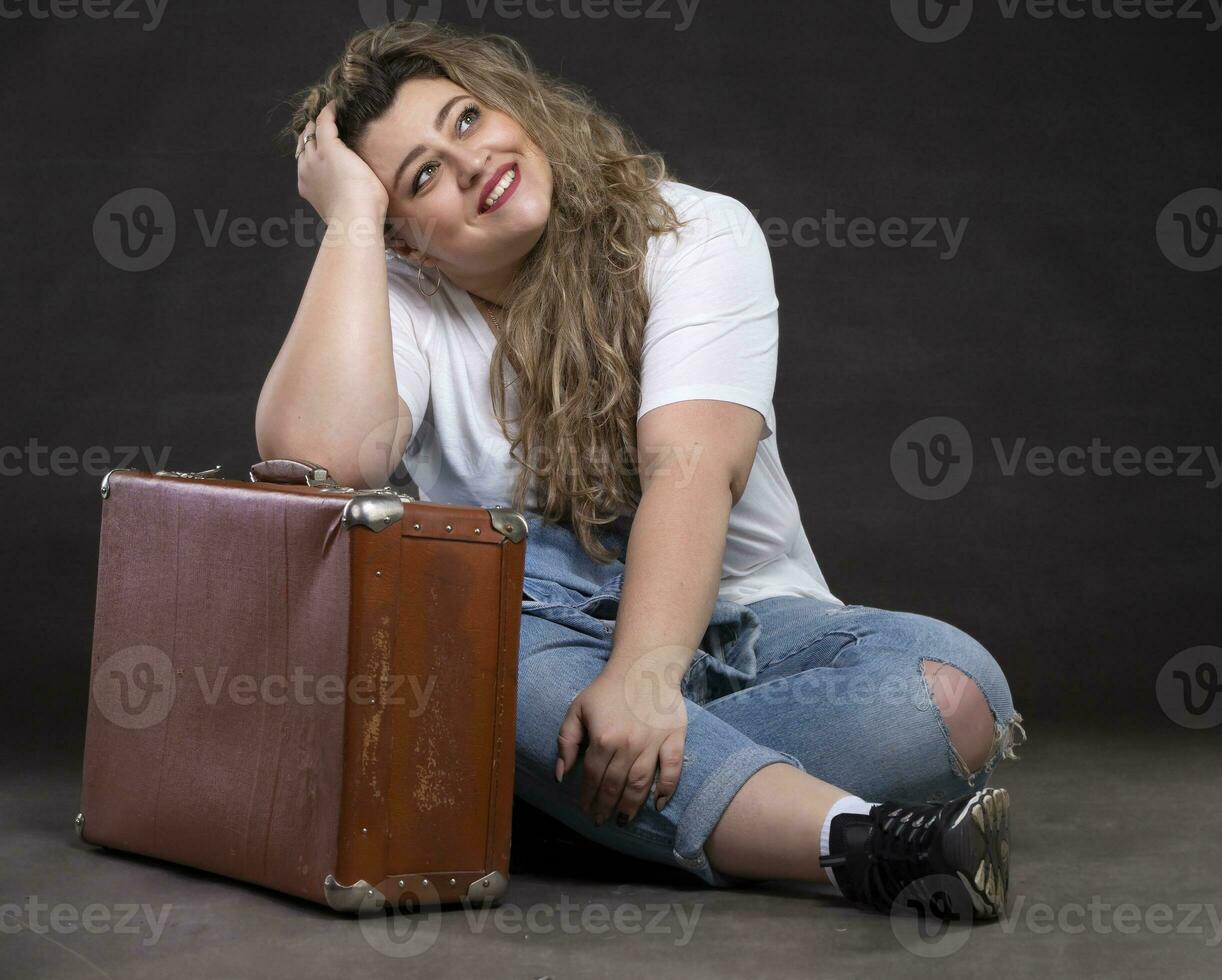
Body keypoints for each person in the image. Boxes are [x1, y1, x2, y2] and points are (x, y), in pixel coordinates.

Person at [257, 20, 1026, 922]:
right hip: (535, 638)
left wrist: (648, 676)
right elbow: (321, 463)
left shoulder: (691, 229)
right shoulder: (405, 300)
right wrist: (350, 218)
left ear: (520, 112)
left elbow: (689, 473)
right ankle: (855, 843)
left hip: (742, 631)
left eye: (467, 120)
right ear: (409, 243)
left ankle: (539, 795)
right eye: (420, 176)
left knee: (955, 694)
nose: (468, 164)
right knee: (466, 633)